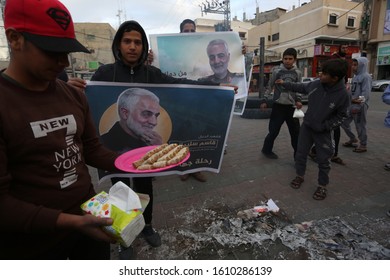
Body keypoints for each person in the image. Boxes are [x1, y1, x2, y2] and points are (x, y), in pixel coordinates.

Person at [91, 20, 231, 248]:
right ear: (119, 44)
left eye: (138, 42)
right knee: (121, 190)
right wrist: (77, 88)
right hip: (115, 154)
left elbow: (180, 85)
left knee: (145, 187)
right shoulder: (105, 73)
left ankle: (147, 226)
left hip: (146, 151)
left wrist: (216, 86)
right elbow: (90, 98)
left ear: (144, 46)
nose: (133, 47)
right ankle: (124, 237)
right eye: (127, 41)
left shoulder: (152, 74)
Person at [0, 0, 120, 259]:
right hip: (31, 243)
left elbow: (91, 149)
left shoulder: (72, 96)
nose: (63, 62)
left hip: (89, 220)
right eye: (52, 51)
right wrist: (71, 221)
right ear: (15, 38)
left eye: (66, 51)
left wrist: (136, 161)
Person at [276, 59, 350, 200]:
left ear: (334, 78)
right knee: (300, 153)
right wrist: (284, 83)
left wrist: (325, 126)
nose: (321, 75)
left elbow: (342, 116)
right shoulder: (317, 84)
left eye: (325, 74)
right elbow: (301, 87)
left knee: (323, 160)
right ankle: (300, 176)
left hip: (323, 132)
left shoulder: (343, 95)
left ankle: (322, 186)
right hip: (307, 127)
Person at [309, 44, 349, 165]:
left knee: (333, 131)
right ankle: (315, 151)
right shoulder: (323, 83)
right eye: (343, 47)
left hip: (331, 118)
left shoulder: (342, 91)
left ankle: (332, 153)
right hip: (321, 118)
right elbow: (303, 87)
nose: (345, 49)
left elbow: (342, 114)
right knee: (317, 132)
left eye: (347, 47)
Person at [260, 48, 302, 159]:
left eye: (290, 59)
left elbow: (299, 88)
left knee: (296, 133)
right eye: (285, 58)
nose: (287, 61)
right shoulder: (276, 71)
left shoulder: (298, 72)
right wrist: (264, 100)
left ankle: (298, 157)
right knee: (273, 131)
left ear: (295, 60)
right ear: (282, 59)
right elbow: (269, 86)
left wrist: (299, 100)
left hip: (292, 108)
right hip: (278, 106)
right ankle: (266, 150)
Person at [341, 57, 372, 153]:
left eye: (355, 65)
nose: (353, 67)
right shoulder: (355, 77)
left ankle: (363, 144)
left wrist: (358, 106)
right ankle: (353, 139)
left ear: (362, 65)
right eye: (352, 64)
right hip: (351, 105)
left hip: (360, 106)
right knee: (343, 122)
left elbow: (365, 94)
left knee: (360, 125)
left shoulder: (366, 77)